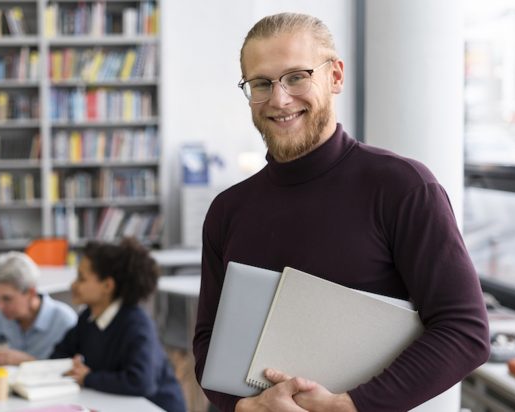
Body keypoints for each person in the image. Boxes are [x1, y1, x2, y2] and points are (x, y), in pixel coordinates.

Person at [193, 12, 490, 412]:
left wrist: (347, 406)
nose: (279, 99)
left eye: (297, 76)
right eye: (261, 83)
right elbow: (208, 342)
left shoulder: (402, 187)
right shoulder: (227, 210)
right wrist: (245, 407)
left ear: (334, 77)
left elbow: (464, 331)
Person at [50, 239, 186, 412]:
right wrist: (70, 366)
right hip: (114, 403)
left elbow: (141, 382)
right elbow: (59, 354)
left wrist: (88, 377)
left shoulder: (137, 324)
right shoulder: (88, 318)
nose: (73, 285)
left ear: (107, 285)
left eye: (81, 278)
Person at [0, 251, 76, 365]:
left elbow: (71, 372)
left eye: (7, 299)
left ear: (31, 293)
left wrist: (28, 362)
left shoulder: (64, 320)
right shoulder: (0, 316)